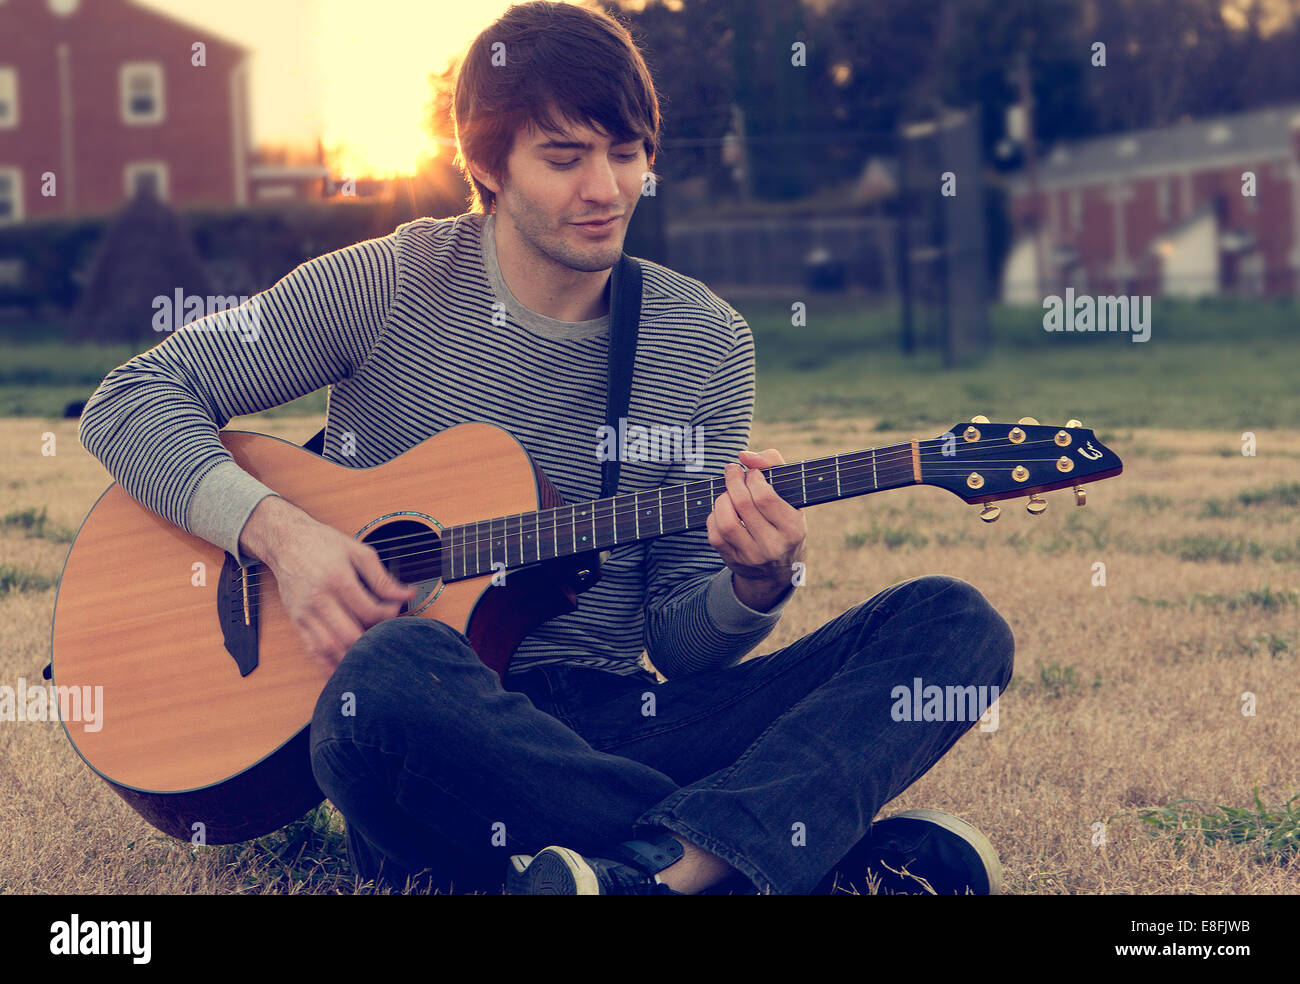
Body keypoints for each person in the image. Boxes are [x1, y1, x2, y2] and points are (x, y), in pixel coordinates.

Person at [78, 1, 1013, 895]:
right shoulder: (393, 281)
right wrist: (282, 536)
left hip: (617, 724)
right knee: (391, 671)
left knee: (952, 624)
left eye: (627, 152)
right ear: (488, 167)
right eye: (564, 158)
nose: (605, 189)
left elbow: (678, 646)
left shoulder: (703, 339)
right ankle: (753, 857)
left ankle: (647, 877)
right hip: (428, 737)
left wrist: (756, 585)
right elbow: (130, 398)